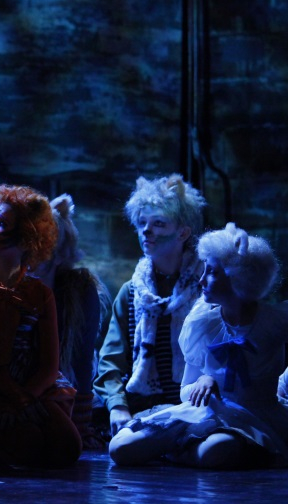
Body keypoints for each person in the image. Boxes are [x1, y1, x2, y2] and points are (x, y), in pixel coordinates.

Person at [109, 223, 288, 468]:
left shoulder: (274, 324)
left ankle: (186, 451)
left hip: (254, 418)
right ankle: (180, 447)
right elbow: (186, 390)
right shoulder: (203, 323)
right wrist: (203, 381)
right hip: (206, 412)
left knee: (217, 449)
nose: (202, 279)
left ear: (238, 279)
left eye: (212, 272)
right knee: (120, 448)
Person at [0, 184, 82, 467]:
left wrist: (24, 398)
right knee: (24, 441)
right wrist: (11, 395)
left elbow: (49, 365)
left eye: (2, 224)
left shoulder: (39, 293)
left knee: (67, 446)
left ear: (26, 238)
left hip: (30, 389)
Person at [94, 174, 207, 438]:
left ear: (183, 232)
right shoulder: (133, 292)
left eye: (158, 223)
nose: (146, 230)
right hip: (143, 408)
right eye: (142, 222)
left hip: (195, 407)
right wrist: (117, 406)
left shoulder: (206, 286)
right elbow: (111, 359)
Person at [32, 193, 110, 449]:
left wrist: (81, 427)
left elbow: (82, 361)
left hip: (62, 397)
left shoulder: (79, 291)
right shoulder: (6, 285)